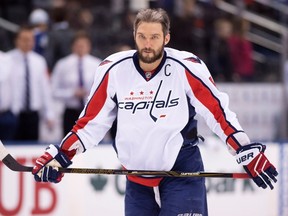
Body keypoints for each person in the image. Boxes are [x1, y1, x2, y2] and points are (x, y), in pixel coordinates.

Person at [32, 8, 278, 216]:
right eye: (142, 36)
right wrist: (61, 155)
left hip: (182, 173)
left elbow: (217, 113)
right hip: (136, 180)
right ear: (134, 35)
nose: (147, 44)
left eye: (154, 37)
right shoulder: (113, 70)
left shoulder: (186, 67)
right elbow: (91, 123)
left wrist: (244, 149)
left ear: (166, 38)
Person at [7, 26, 55, 141]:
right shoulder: (6, 60)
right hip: (13, 113)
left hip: (33, 114)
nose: (29, 43)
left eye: (31, 40)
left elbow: (45, 89)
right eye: (25, 39)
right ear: (17, 40)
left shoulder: (39, 61)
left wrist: (49, 113)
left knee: (32, 145)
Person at [51, 31, 102, 136]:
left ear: (89, 46)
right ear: (73, 46)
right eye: (78, 45)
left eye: (84, 45)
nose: (81, 48)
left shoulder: (97, 64)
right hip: (70, 111)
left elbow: (103, 89)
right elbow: (53, 90)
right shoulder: (62, 65)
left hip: (90, 111)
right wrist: (71, 93)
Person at [0, 51, 17, 140]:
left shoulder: (7, 60)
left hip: (5, 114)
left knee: (7, 149)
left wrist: (14, 112)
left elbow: (14, 86)